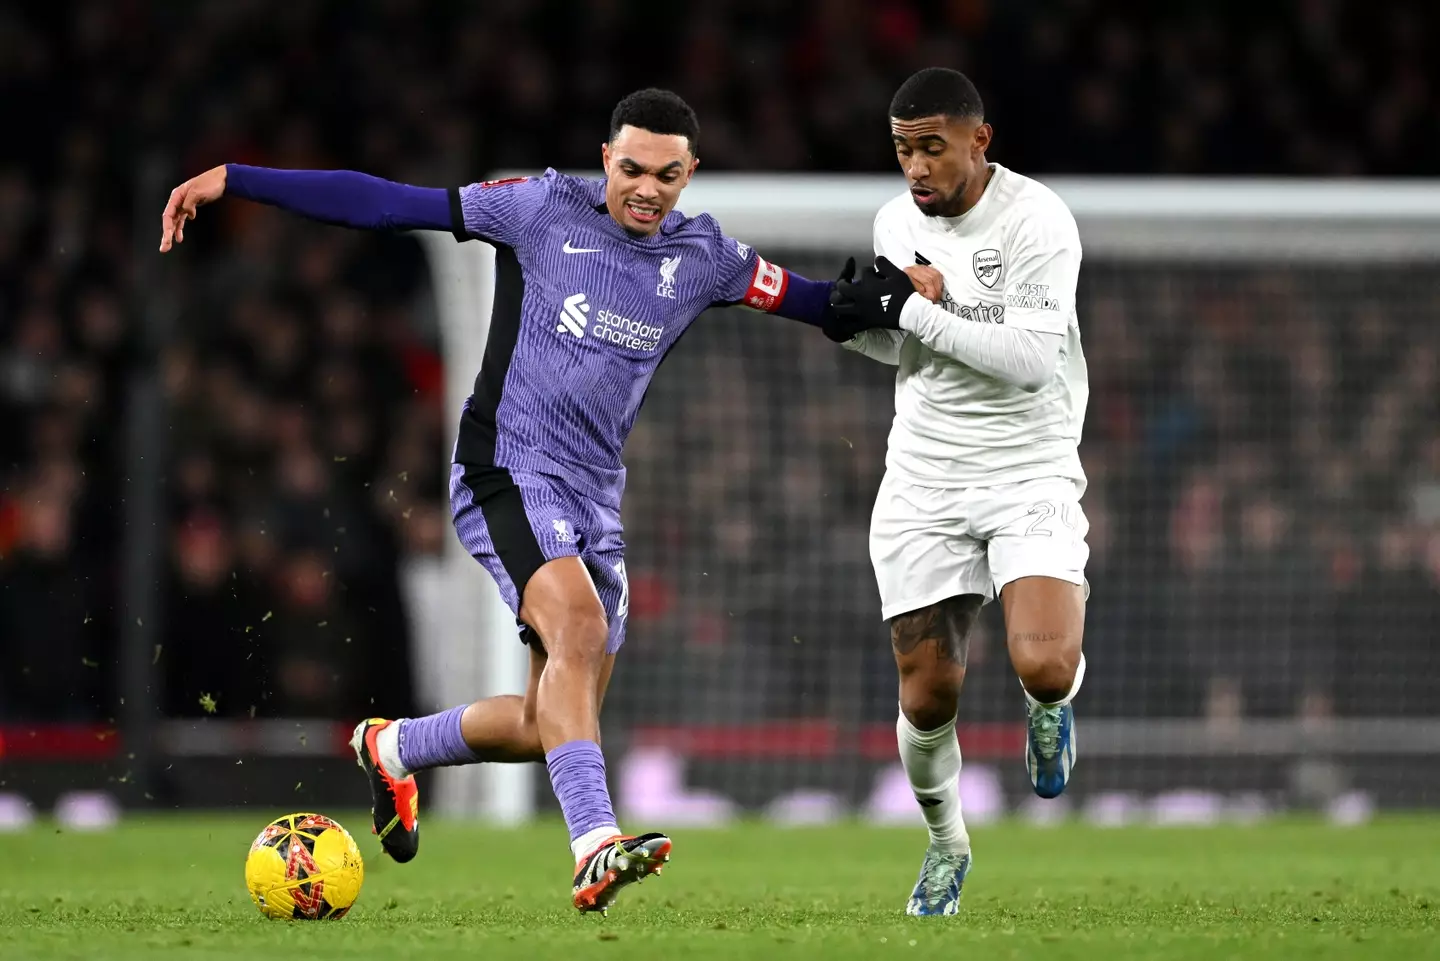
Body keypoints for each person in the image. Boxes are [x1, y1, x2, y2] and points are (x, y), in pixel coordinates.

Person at [159, 88, 902, 914]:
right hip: (506, 469)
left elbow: (816, 303)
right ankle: (594, 846)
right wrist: (239, 177)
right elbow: (385, 204)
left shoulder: (708, 259)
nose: (645, 189)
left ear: (690, 173)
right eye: (630, 168)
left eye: (665, 174)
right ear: (606, 157)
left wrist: (900, 295)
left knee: (542, 719)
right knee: (578, 629)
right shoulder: (540, 207)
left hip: (594, 494)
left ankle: (394, 746)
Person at [825, 68, 1090, 916]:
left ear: (980, 140)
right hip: (925, 477)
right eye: (903, 149)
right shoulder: (895, 220)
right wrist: (858, 324)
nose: (916, 168)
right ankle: (947, 845)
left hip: (1029, 469)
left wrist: (907, 310)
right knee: (927, 692)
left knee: (1043, 664)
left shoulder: (1037, 219)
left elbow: (1029, 361)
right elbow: (909, 348)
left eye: (933, 148)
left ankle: (1052, 709)